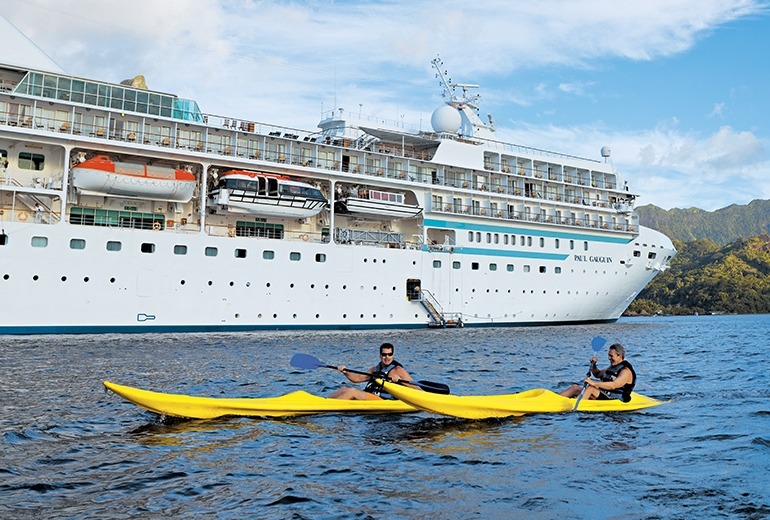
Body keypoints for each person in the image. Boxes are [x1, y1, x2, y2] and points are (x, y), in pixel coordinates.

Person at [328, 342, 414, 400]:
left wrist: (400, 382)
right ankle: (325, 401)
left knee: (352, 391)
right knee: (344, 389)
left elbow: (415, 388)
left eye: (389, 354)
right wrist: (345, 372)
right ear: (380, 356)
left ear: (393, 355)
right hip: (371, 396)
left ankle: (328, 407)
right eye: (384, 354)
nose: (387, 357)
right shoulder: (375, 369)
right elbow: (357, 379)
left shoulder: (398, 370)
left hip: (385, 400)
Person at [559, 343, 636, 402]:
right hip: (604, 394)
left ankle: (574, 404)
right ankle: (554, 400)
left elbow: (613, 385)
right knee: (575, 388)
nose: (609, 358)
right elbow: (597, 374)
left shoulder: (625, 371)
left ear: (619, 356)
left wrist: (594, 383)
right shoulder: (612, 367)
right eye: (608, 355)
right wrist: (594, 365)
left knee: (591, 388)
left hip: (616, 398)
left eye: (611, 356)